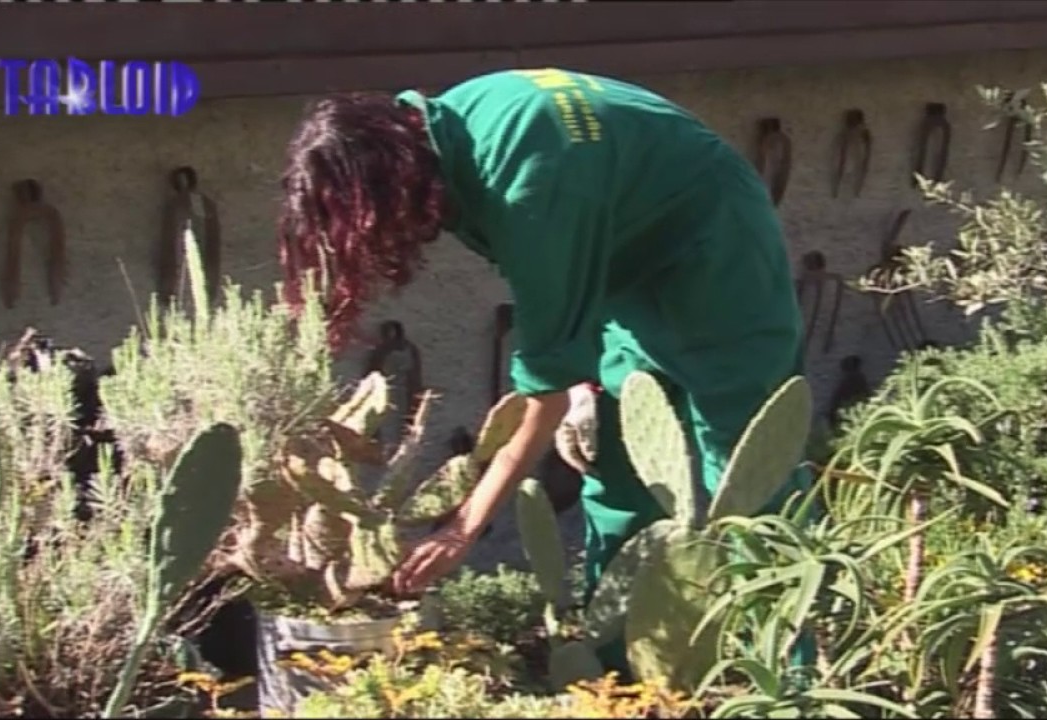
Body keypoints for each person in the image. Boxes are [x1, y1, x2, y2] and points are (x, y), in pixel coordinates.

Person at [277, 67, 810, 675]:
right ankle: (617, 679)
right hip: (624, 263)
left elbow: (542, 390)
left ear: (394, 179)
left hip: (716, 250)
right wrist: (584, 378)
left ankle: (792, 680)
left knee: (742, 470)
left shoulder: (525, 184)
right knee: (616, 466)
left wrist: (464, 527)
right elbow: (574, 271)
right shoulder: (451, 123)